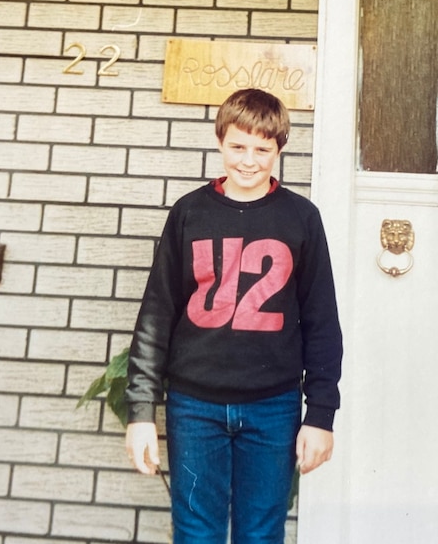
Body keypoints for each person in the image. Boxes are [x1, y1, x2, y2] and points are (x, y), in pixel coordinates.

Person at [124, 88, 343, 544]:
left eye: (263, 150)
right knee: (196, 531)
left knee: (260, 534)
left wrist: (320, 413)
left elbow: (322, 322)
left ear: (280, 148)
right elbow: (156, 316)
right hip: (194, 405)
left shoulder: (301, 218)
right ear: (219, 140)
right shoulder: (189, 212)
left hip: (273, 406)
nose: (249, 160)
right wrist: (141, 412)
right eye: (238, 147)